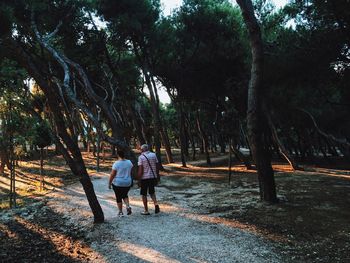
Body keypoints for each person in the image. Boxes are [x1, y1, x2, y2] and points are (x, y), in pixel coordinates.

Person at [109, 150, 133, 216]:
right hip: (127, 182)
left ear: (118, 155)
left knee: (118, 196)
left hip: (118, 183)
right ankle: (128, 206)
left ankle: (120, 212)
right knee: (125, 194)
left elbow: (112, 174)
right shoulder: (129, 162)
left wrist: (109, 183)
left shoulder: (116, 163)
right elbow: (131, 171)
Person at [138, 144, 160, 215]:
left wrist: (139, 179)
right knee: (152, 192)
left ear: (142, 150)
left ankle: (146, 210)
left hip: (144, 178)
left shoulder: (141, 157)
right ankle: (156, 204)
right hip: (152, 177)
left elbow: (141, 170)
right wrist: (157, 175)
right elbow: (157, 166)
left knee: (144, 194)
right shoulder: (154, 155)